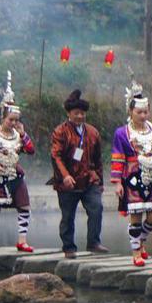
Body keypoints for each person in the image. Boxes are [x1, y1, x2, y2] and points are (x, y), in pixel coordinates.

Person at [0, 79, 36, 252]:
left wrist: (24, 134)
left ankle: (22, 241)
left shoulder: (18, 134)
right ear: (3, 118)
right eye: (11, 120)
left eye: (16, 120)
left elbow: (30, 150)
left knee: (24, 207)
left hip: (15, 175)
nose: (13, 123)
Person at [111, 84, 152, 266]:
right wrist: (117, 182)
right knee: (135, 216)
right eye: (139, 112)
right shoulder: (122, 133)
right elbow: (118, 158)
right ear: (130, 111)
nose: (142, 116)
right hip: (132, 177)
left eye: (145, 112)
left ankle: (140, 241)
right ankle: (136, 252)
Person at [49, 89, 106, 257]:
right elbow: (56, 156)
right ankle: (69, 247)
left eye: (82, 113)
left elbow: (98, 160)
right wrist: (65, 176)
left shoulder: (93, 132)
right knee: (68, 216)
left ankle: (94, 242)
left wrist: (100, 182)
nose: (80, 116)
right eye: (76, 113)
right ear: (69, 113)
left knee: (97, 208)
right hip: (68, 182)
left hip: (89, 179)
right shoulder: (60, 131)